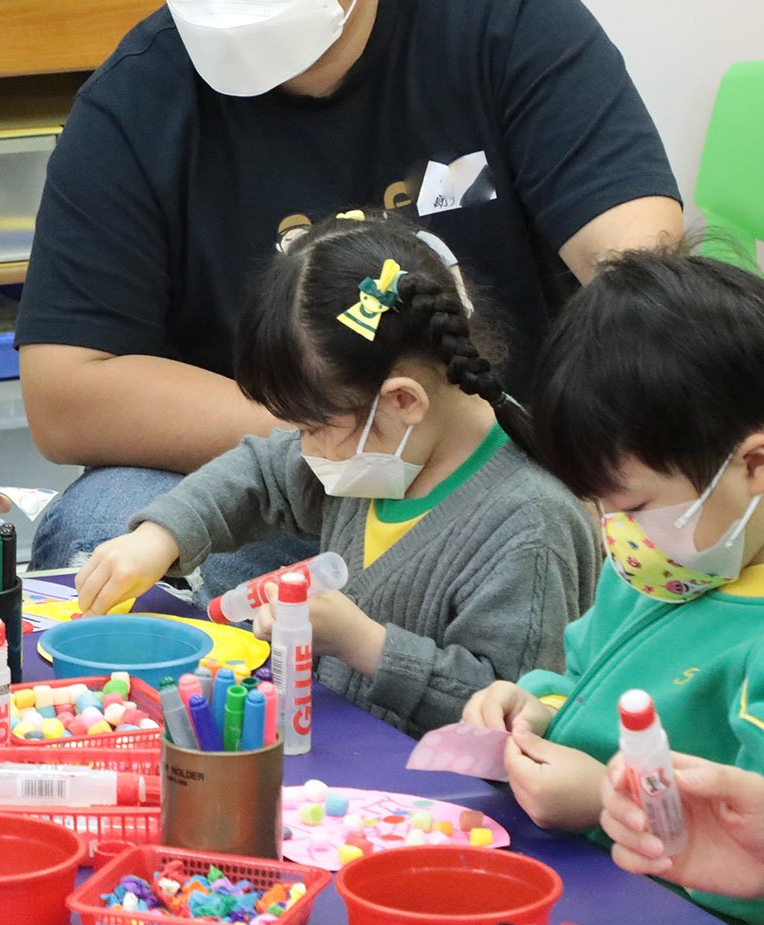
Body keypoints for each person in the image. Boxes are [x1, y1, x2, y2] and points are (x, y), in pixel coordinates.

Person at [17, 0, 682, 574]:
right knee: (102, 530)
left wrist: (480, 453)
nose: (217, 2)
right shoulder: (135, 101)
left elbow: (638, 265)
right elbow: (65, 391)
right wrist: (341, 430)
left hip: (501, 476)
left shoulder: (501, 16)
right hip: (282, 476)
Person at [462, 251, 764, 925]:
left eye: (636, 506)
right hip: (577, 896)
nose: (617, 534)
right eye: (604, 507)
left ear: (754, 464)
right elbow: (589, 672)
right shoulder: (670, 563)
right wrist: (539, 706)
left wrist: (603, 804)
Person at [76, 214, 595, 735]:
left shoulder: (531, 525)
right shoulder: (382, 451)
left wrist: (365, 645)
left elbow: (515, 713)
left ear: (402, 401)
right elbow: (260, 473)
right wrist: (161, 537)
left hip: (429, 784)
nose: (305, 449)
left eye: (314, 427)